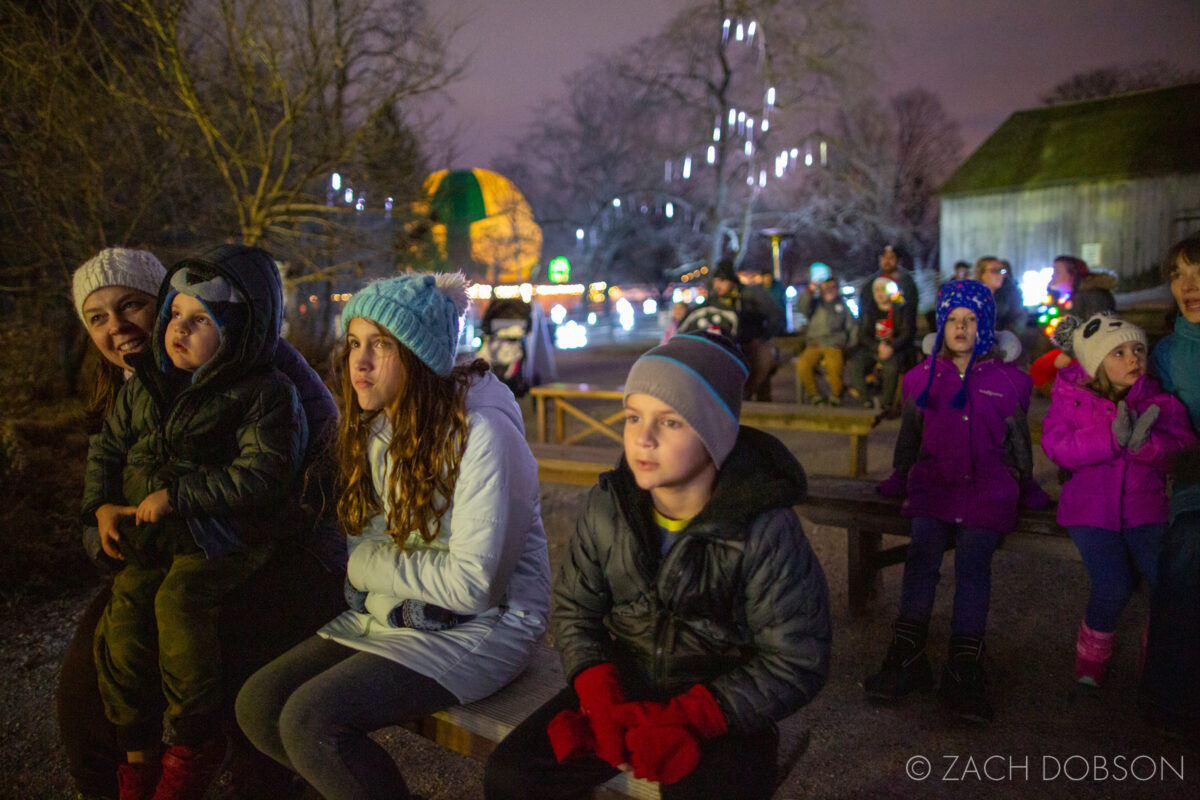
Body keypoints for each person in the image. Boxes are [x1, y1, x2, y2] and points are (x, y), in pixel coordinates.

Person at [236, 273, 551, 799]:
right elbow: (368, 539)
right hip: (400, 609)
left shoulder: (487, 435)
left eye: (380, 345)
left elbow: (474, 585)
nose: (359, 362)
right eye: (354, 343)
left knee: (310, 722)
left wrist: (368, 569)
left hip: (490, 625)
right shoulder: (379, 422)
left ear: (421, 353)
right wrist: (376, 572)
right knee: (259, 705)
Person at [484, 331, 831, 800]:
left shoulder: (763, 527)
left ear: (715, 432)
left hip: (722, 702)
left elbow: (797, 657)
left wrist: (698, 714)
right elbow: (575, 611)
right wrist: (598, 689)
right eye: (633, 418)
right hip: (624, 684)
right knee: (512, 777)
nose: (643, 438)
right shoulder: (611, 504)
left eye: (670, 422)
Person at [60, 246, 344, 800]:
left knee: (220, 645)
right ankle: (121, 776)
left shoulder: (267, 374)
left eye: (132, 306)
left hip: (268, 550)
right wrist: (101, 529)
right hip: (162, 545)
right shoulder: (134, 383)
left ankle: (227, 762)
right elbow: (107, 468)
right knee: (101, 658)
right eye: (97, 317)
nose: (117, 327)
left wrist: (201, 515)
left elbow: (296, 485)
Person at [867, 279, 1047, 723]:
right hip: (935, 484)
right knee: (921, 555)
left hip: (988, 489)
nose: (961, 327)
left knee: (972, 564)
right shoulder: (919, 378)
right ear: (941, 326)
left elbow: (1017, 442)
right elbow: (910, 435)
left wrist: (1025, 482)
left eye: (970, 320)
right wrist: (900, 473)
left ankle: (964, 666)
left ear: (985, 326)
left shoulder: (1009, 382)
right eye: (952, 319)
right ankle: (907, 654)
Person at [1041, 312, 1194, 687]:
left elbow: (1184, 448)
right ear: (1095, 362)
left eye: (1138, 349)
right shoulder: (1073, 398)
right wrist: (1109, 438)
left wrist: (1148, 447)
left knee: (1167, 582)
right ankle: (1091, 659)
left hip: (1146, 509)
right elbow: (1057, 446)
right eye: (1119, 352)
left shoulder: (1160, 402)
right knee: (1113, 584)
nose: (1133, 359)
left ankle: (1158, 655)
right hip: (1089, 510)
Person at [1141, 232, 1200, 736]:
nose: (1189, 284)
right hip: (1191, 490)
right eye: (1179, 274)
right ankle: (1167, 692)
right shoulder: (1165, 354)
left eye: (1199, 272)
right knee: (1185, 549)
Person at [1030, 255, 1118, 391]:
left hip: (1088, 356)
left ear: (1073, 274)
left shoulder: (1093, 296)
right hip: (1065, 353)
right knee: (1039, 371)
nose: (1053, 276)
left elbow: (1096, 331)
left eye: (1057, 272)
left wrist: (1069, 354)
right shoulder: (1059, 299)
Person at [707, 258, 784, 400]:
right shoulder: (714, 300)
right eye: (716, 281)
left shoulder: (751, 294)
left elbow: (775, 314)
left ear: (732, 281)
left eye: (722, 281)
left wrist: (765, 336)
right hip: (727, 345)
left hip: (752, 342)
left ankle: (758, 402)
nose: (718, 285)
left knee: (762, 364)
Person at [844, 275, 917, 416]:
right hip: (872, 347)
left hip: (893, 348)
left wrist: (891, 347)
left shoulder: (901, 308)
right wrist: (877, 347)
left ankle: (886, 404)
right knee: (855, 364)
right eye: (876, 289)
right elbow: (862, 335)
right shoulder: (869, 309)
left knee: (892, 367)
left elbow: (906, 333)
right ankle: (866, 400)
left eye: (883, 289)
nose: (879, 293)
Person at [795, 276, 853, 405]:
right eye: (827, 287)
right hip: (815, 343)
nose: (830, 290)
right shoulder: (815, 304)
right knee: (803, 364)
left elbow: (852, 326)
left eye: (833, 287)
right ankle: (814, 394)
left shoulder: (842, 306)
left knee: (835, 364)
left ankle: (836, 395)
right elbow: (802, 306)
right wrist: (810, 290)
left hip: (834, 343)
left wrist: (848, 344)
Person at [974, 257, 1027, 339]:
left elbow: (1018, 319)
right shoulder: (973, 297)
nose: (1001, 275)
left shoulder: (1010, 293)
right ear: (982, 274)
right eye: (995, 271)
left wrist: (1004, 338)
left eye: (1002, 271)